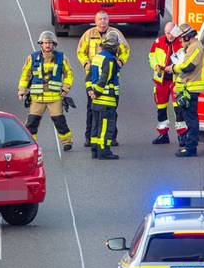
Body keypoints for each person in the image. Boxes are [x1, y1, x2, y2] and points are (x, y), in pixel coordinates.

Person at [77, 10, 130, 145]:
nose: (102, 22)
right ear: (95, 21)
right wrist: (86, 64)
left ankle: (111, 137)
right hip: (93, 76)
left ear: (108, 20)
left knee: (111, 109)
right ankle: (89, 137)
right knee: (92, 108)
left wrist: (120, 62)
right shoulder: (88, 34)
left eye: (105, 19)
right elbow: (80, 52)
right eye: (100, 19)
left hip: (111, 77)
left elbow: (126, 50)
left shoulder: (116, 33)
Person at [18, 31, 74, 151]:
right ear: (41, 44)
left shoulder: (61, 57)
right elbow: (25, 75)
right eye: (45, 43)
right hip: (37, 98)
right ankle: (30, 143)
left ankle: (67, 142)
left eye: (50, 43)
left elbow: (69, 74)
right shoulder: (32, 58)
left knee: (60, 122)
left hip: (55, 97)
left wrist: (65, 88)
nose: (47, 45)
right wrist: (22, 90)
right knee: (32, 122)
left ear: (54, 44)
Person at [172, 24, 204, 157]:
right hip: (189, 88)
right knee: (189, 118)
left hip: (191, 88)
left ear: (187, 37)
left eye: (181, 39)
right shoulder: (192, 48)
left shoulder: (195, 47)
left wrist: (173, 68)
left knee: (191, 120)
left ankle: (190, 148)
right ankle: (189, 145)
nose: (180, 42)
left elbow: (188, 67)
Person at [148, 21, 187, 145]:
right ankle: (163, 134)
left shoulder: (181, 43)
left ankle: (182, 134)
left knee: (178, 109)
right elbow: (151, 56)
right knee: (161, 108)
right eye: (167, 33)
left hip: (176, 81)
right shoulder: (158, 42)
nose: (169, 36)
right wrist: (155, 66)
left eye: (171, 33)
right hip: (162, 81)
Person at [88, 32, 121, 160]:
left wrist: (91, 90)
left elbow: (89, 77)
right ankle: (104, 151)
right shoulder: (110, 60)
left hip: (95, 100)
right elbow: (105, 78)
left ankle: (95, 149)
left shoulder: (97, 57)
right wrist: (97, 92)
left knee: (96, 124)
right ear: (114, 47)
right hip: (106, 99)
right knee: (106, 126)